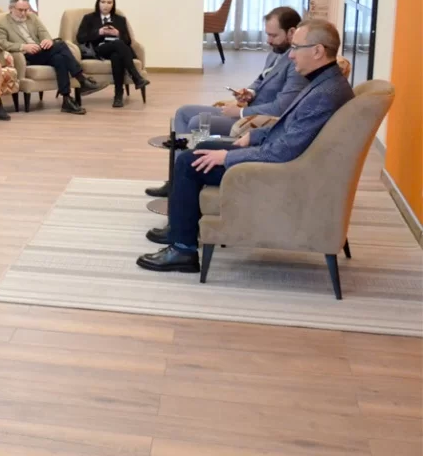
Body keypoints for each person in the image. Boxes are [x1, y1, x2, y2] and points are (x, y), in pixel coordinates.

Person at [137, 20, 354, 273]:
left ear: (317, 51)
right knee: (202, 146)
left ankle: (182, 249)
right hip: (280, 156)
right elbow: (291, 127)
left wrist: (226, 158)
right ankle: (181, 228)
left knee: (188, 162)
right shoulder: (326, 82)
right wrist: (256, 135)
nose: (291, 54)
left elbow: (283, 151)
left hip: (277, 169)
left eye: (296, 47)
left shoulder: (323, 94)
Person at [147, 7, 309, 200]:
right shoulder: (276, 53)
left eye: (273, 35)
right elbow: (261, 80)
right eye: (267, 34)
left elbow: (281, 108)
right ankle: (176, 179)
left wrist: (239, 113)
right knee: (183, 113)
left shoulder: (297, 63)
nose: (268, 40)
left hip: (254, 120)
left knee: (196, 123)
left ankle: (188, 178)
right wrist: (250, 92)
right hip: (248, 109)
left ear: (291, 32)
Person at [0, 0, 106, 115]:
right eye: (20, 10)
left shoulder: (32, 18)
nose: (24, 13)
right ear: (11, 8)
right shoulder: (2, 23)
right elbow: (1, 43)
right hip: (25, 55)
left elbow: (44, 33)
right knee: (61, 45)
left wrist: (47, 40)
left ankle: (67, 99)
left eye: (26, 10)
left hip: (41, 51)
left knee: (60, 59)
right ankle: (81, 79)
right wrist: (23, 46)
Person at [75, 0, 149, 108]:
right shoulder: (89, 18)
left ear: (113, 4)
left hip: (118, 50)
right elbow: (80, 37)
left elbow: (128, 41)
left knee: (116, 55)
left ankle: (118, 96)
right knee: (118, 44)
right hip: (99, 50)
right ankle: (136, 77)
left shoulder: (120, 19)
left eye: (109, 2)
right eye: (103, 2)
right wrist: (99, 32)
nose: (106, 5)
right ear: (98, 3)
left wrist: (118, 34)